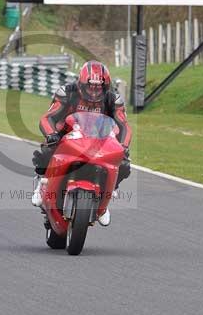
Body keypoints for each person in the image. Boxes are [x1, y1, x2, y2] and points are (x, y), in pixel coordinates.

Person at [31, 60, 132, 226]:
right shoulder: (67, 93)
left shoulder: (114, 100)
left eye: (99, 87)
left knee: (124, 164)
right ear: (81, 84)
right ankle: (41, 184)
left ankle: (106, 198)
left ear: (106, 87)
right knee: (46, 151)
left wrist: (124, 146)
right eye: (90, 86)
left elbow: (124, 126)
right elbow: (47, 118)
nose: (94, 91)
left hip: (100, 140)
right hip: (67, 135)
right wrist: (51, 135)